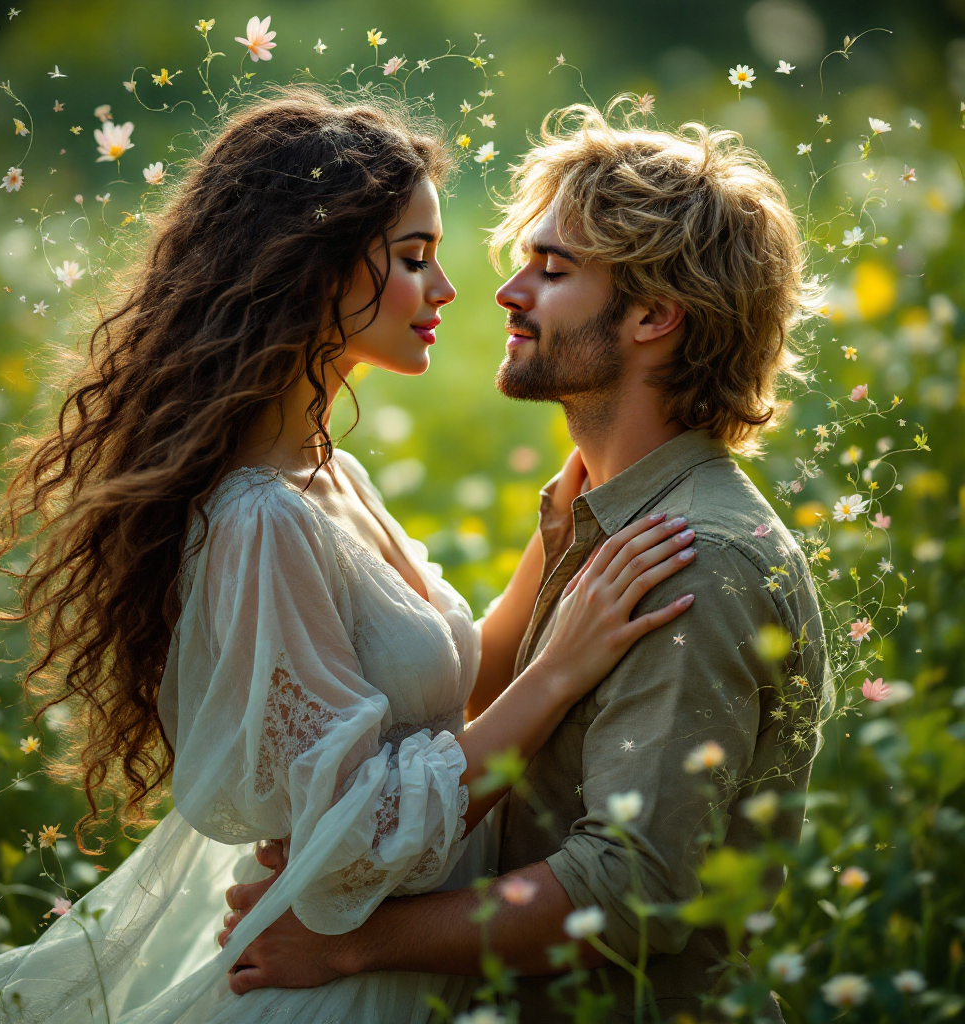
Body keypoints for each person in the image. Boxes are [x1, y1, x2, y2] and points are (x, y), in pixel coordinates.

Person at [0, 90, 697, 1024]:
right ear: (313, 267)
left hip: (409, 972)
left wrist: (567, 522)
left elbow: (446, 692)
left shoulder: (321, 473)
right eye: (416, 259)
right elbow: (357, 836)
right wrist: (561, 671)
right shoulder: (261, 516)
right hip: (337, 988)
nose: (451, 290)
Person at [217, 104, 830, 1022]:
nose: (506, 291)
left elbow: (629, 887)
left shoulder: (693, 561)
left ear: (655, 314)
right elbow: (465, 717)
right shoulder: (597, 514)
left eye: (552, 269)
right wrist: (329, 849)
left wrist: (354, 939)